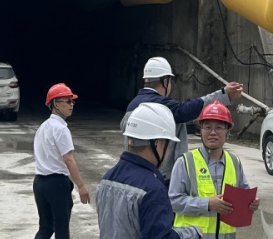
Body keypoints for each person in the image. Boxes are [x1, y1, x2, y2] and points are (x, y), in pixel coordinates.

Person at [122, 57, 243, 184]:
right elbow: (188, 110)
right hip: (159, 178)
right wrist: (223, 94)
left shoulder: (132, 106)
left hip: (134, 173)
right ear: (165, 81)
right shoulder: (161, 107)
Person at [96, 103, 200, 239]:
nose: (169, 150)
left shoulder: (107, 178)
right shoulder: (153, 189)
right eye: (168, 144)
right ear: (157, 143)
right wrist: (192, 233)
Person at [169, 102, 259, 238]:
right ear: (201, 130)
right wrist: (207, 204)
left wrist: (252, 203)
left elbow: (244, 194)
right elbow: (174, 202)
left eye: (219, 127)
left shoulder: (234, 162)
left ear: (227, 130)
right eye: (207, 127)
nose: (213, 132)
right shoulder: (185, 162)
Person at [33, 83, 90, 239]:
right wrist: (81, 186)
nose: (71, 105)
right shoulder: (61, 129)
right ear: (55, 104)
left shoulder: (42, 127)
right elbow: (69, 160)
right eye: (68, 101)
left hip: (39, 183)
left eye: (72, 101)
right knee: (62, 230)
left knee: (45, 228)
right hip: (56, 184)